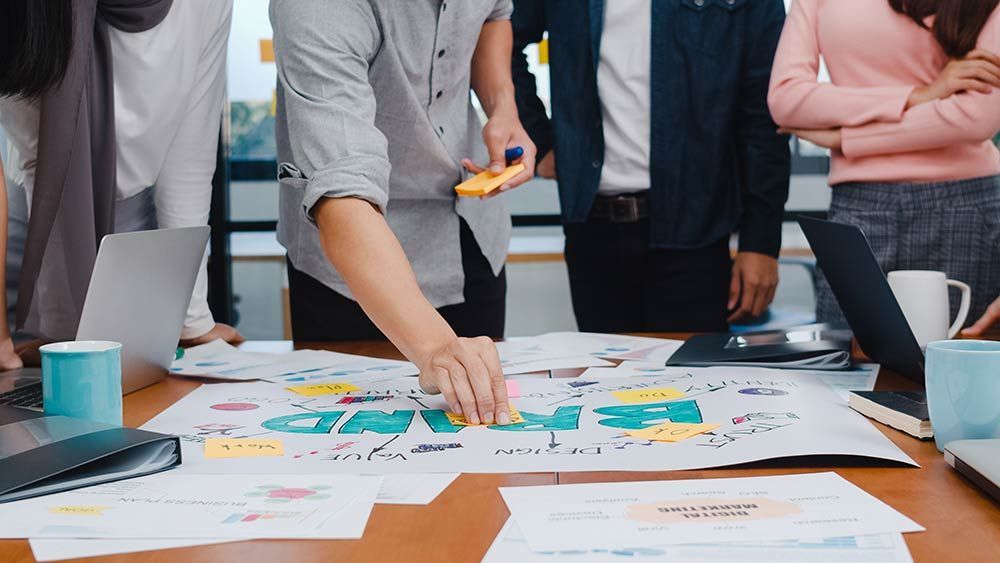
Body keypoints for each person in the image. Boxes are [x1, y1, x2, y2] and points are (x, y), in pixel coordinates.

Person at [271, 0, 536, 425]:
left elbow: (495, 13)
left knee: (485, 445)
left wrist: (503, 107)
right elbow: (343, 193)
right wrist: (434, 349)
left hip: (469, 228)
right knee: (357, 447)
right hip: (353, 265)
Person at [510, 0, 790, 333]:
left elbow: (763, 110)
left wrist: (761, 241)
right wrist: (540, 140)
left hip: (697, 231)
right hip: (592, 229)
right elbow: (500, 39)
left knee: (696, 382)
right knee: (603, 381)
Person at [0, 0, 243, 353]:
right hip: (31, 233)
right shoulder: (32, 10)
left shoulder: (205, 6)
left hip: (137, 244)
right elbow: (43, 158)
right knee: (29, 395)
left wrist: (190, 319)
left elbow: (188, 164)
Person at [769, 0, 1000, 329]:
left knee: (961, 368)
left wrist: (847, 139)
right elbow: (787, 100)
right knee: (844, 364)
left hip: (966, 206)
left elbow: (977, 118)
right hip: (859, 207)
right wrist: (919, 94)